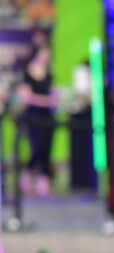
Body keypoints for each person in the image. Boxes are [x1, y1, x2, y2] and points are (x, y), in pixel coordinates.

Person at [17, 40, 57, 197]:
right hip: (33, 115)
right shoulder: (28, 73)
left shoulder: (49, 73)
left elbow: (52, 92)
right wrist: (45, 100)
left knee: (47, 148)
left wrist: (55, 98)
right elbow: (25, 96)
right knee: (37, 148)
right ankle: (26, 178)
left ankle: (43, 182)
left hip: (48, 116)